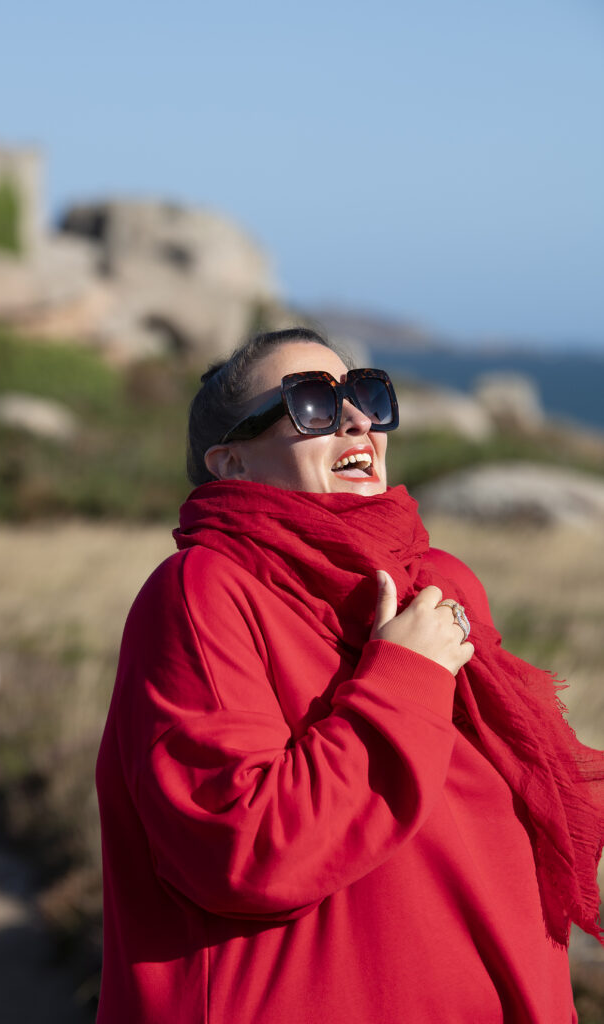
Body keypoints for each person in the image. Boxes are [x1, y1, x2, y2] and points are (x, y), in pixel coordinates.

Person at [96, 327, 604, 1023]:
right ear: (231, 463)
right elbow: (243, 849)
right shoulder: (204, 587)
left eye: (365, 394)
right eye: (311, 403)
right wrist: (404, 677)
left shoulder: (436, 581)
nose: (358, 419)